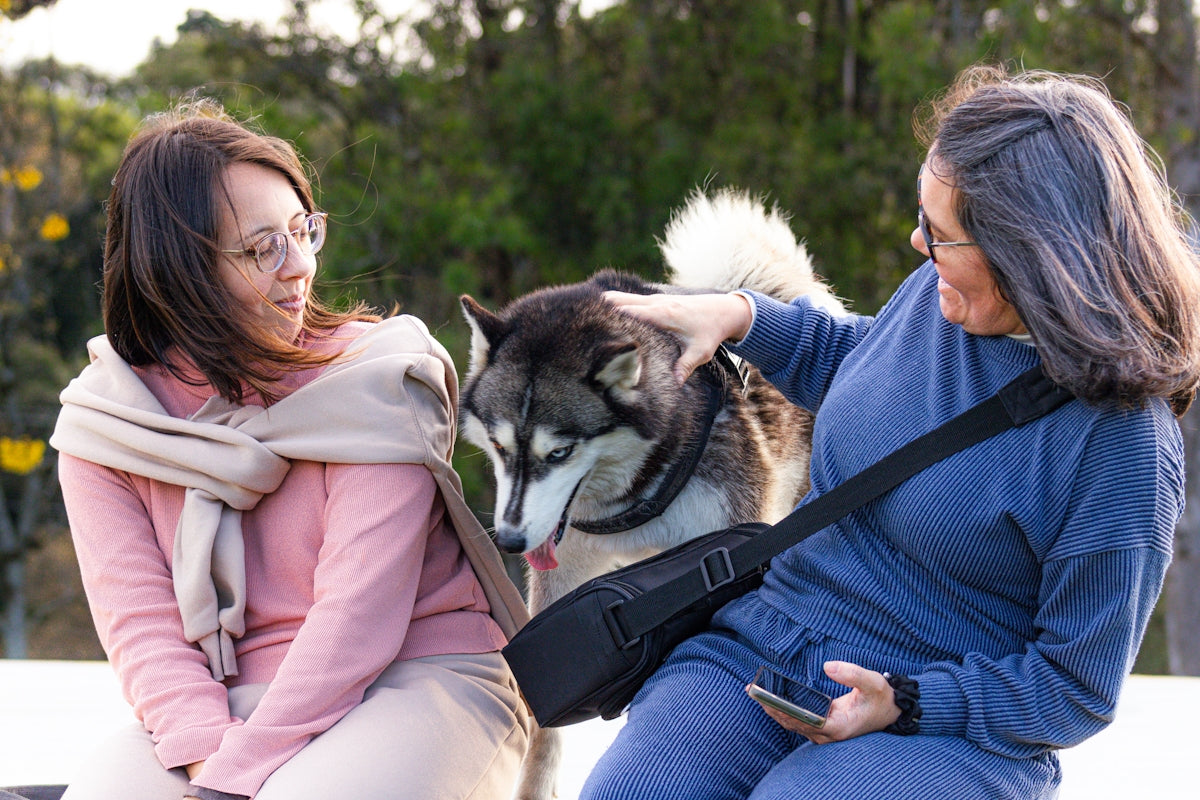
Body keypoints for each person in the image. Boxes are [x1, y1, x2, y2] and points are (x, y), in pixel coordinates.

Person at [581, 65, 1200, 800]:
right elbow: (869, 372)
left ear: (1030, 256)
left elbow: (1075, 688)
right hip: (771, 645)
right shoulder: (942, 299)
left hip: (942, 729)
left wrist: (911, 702)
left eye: (939, 235)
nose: (917, 243)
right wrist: (742, 318)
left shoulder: (1120, 449)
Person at [48, 100, 531, 800]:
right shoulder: (106, 425)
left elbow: (356, 623)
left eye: (303, 231)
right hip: (221, 706)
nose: (300, 265)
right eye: (261, 248)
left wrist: (230, 785)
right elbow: (145, 636)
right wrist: (207, 759)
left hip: (421, 677)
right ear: (176, 270)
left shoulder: (378, 379)